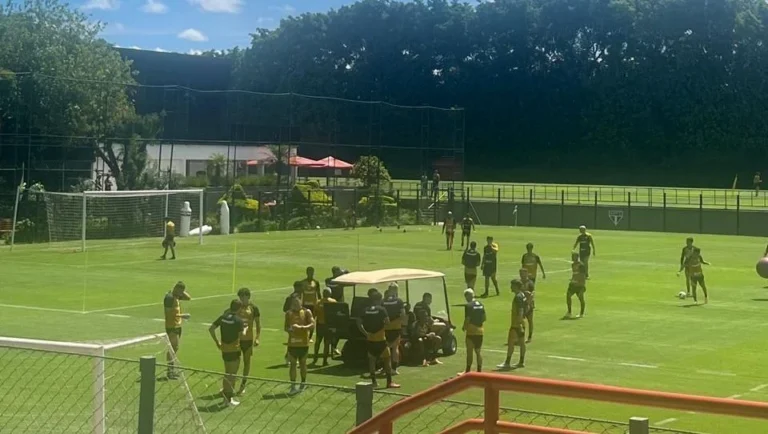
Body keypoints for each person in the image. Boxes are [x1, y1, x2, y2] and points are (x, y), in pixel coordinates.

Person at [357, 288, 400, 389]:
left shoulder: (366, 310)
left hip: (370, 339)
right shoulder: (382, 309)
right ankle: (389, 382)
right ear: (379, 300)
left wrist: (365, 333)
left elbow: (358, 322)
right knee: (387, 359)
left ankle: (374, 382)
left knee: (371, 360)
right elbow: (387, 322)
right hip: (381, 339)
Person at [208, 299, 247, 407]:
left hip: (224, 349)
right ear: (239, 308)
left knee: (227, 373)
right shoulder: (238, 321)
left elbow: (211, 329)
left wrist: (217, 342)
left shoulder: (223, 317)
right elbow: (241, 336)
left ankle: (226, 397)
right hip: (234, 350)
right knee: (232, 375)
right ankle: (228, 400)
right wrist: (245, 329)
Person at [285, 294, 315, 395]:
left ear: (301, 302)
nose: (296, 305)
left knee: (303, 364)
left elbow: (312, 324)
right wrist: (291, 330)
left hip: (303, 343)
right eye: (294, 303)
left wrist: (302, 328)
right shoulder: (288, 313)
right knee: (293, 364)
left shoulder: (307, 312)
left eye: (297, 303)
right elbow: (286, 327)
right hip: (292, 344)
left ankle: (303, 383)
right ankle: (293, 386)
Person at [234, 288, 260, 395]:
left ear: (248, 297)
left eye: (243, 297)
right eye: (240, 297)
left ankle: (242, 385)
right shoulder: (236, 307)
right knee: (235, 363)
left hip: (248, 340)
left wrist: (257, 338)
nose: (241, 299)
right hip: (237, 340)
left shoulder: (254, 308)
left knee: (246, 362)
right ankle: (231, 385)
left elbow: (258, 324)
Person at [163, 281, 191, 380]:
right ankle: (170, 371)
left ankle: (171, 370)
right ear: (177, 289)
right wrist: (183, 316)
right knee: (172, 348)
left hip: (177, 326)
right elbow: (168, 314)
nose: (182, 293)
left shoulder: (176, 296)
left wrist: (181, 292)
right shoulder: (169, 298)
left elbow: (188, 298)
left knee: (175, 348)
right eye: (181, 291)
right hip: (171, 326)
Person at [497, 280, 527, 370]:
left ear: (516, 286)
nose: (511, 287)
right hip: (522, 322)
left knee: (511, 342)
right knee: (522, 343)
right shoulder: (522, 295)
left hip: (516, 324)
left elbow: (520, 310)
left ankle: (507, 362)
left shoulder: (518, 297)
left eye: (512, 285)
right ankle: (521, 362)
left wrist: (518, 322)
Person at [381, 283, 406, 375]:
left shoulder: (383, 301)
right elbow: (403, 314)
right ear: (395, 290)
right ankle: (394, 369)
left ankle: (385, 368)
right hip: (396, 327)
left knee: (385, 348)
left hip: (386, 327)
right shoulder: (399, 301)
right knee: (395, 348)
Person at [461, 289, 485, 375]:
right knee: (478, 352)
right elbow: (483, 318)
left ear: (468, 296)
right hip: (480, 331)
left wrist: (464, 327)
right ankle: (479, 371)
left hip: (471, 331)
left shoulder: (468, 306)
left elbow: (467, 318)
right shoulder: (481, 304)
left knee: (469, 351)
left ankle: (467, 371)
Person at [311, 288, 337, 366]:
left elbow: (314, 314)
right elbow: (335, 314)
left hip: (320, 325)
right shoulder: (333, 302)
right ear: (330, 294)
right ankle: (324, 361)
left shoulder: (318, 302)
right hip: (328, 325)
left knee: (318, 342)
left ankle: (315, 358)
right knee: (327, 343)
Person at [282, 283, 304, 366]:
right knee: (293, 340)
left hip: (299, 320)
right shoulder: (291, 297)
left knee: (297, 340)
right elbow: (285, 309)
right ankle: (289, 357)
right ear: (296, 288)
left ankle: (290, 357)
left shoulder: (300, 297)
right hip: (292, 321)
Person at [302, 267, 321, 342]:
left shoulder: (316, 282)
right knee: (304, 320)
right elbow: (301, 293)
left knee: (312, 320)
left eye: (312, 272)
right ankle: (305, 335)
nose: (310, 274)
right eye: (309, 272)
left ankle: (310, 337)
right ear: (307, 273)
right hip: (304, 304)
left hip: (313, 305)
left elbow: (318, 293)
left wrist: (319, 303)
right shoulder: (303, 282)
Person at [565, 252, 587, 318]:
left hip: (579, 285)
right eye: (572, 256)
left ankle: (581, 313)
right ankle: (569, 312)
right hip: (573, 284)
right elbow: (574, 274)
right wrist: (572, 279)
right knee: (568, 295)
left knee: (581, 298)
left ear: (577, 257)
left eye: (573, 256)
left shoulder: (581, 265)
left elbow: (583, 275)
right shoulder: (573, 265)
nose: (572, 258)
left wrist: (581, 284)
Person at [519, 268, 536, 343]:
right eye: (520, 273)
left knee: (530, 321)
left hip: (528, 304)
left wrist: (528, 304)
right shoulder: (519, 282)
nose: (521, 275)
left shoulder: (530, 283)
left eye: (522, 273)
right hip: (521, 304)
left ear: (526, 274)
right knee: (521, 321)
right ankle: (521, 336)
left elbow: (532, 294)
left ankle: (530, 336)